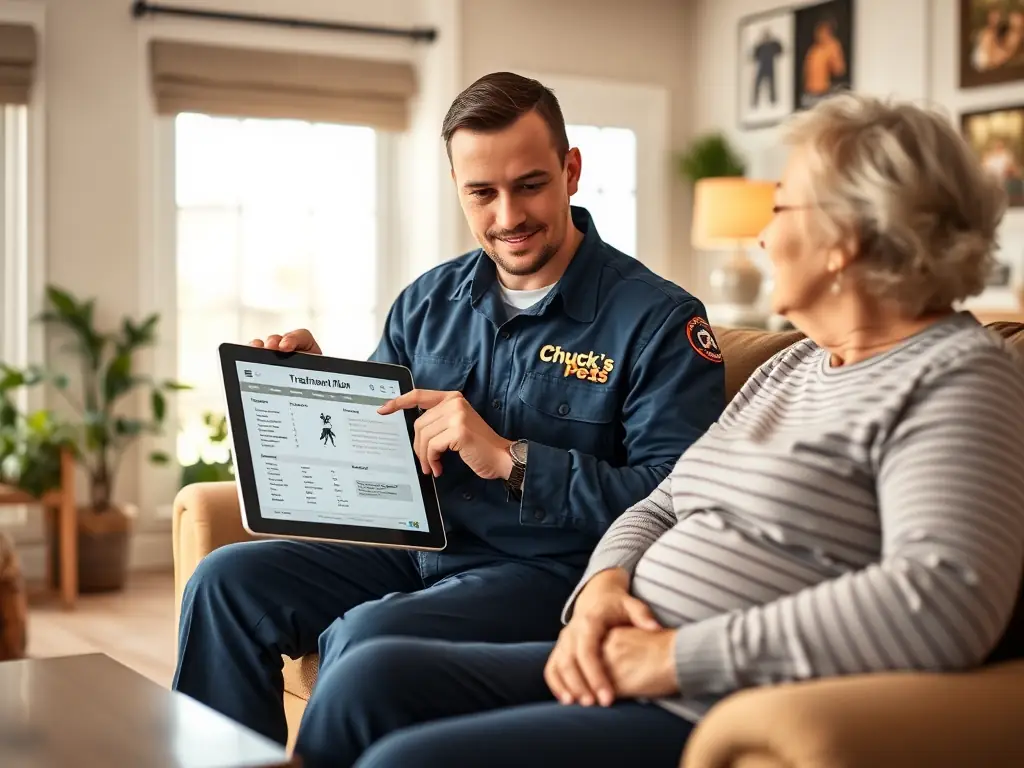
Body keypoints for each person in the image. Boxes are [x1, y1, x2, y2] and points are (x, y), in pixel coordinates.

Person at [292, 93, 1024, 768]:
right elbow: (666, 499)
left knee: (402, 757)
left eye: (781, 208)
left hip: (696, 694)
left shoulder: (958, 376)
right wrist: (604, 587)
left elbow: (943, 600)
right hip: (616, 647)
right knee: (369, 680)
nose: (764, 237)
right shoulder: (798, 364)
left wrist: (675, 657)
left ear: (846, 240)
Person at [171, 71, 726, 748]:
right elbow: (384, 455)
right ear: (458, 189)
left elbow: (677, 501)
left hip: (549, 573)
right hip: (421, 549)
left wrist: (513, 461)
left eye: (529, 185)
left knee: (363, 637)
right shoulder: (427, 301)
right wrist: (324, 390)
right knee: (225, 581)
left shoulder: (659, 322)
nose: (507, 217)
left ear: (571, 170)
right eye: (481, 193)